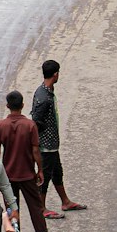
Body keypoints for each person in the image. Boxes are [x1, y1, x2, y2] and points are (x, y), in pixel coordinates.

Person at [0, 92, 66, 232]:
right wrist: (39, 169)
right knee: (36, 207)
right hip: (26, 174)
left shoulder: (0, 125)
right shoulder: (30, 125)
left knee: (12, 208)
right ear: (23, 105)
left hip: (7, 176)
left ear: (7, 106)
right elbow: (35, 151)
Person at [32, 61, 85, 216]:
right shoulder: (44, 97)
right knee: (45, 176)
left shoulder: (45, 91)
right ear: (55, 74)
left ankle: (65, 201)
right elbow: (36, 121)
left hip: (52, 144)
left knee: (57, 173)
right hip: (46, 145)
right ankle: (41, 208)